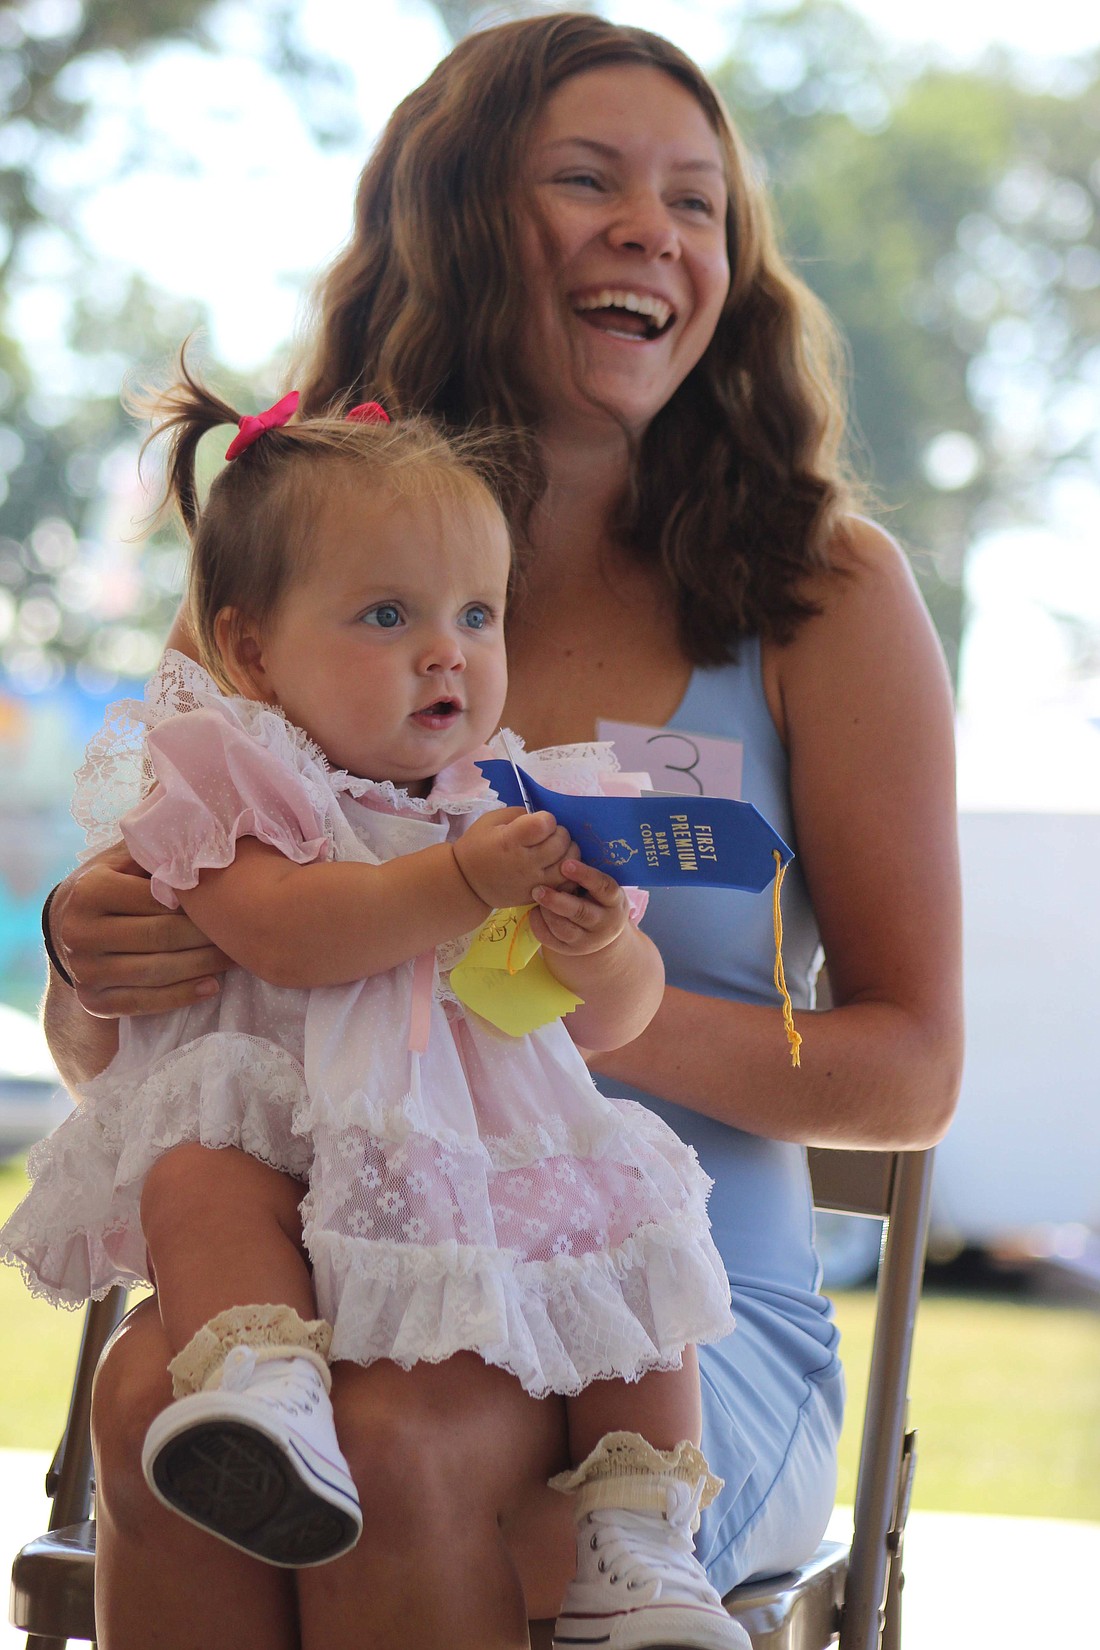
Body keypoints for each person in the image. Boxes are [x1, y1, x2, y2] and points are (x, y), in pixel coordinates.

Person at [39, 12, 963, 1650]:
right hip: (332, 1249)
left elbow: (908, 1075)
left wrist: (597, 1010)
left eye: (697, 203)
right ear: (456, 222)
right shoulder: (294, 553)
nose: (653, 232)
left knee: (402, 1440)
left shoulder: (822, 592)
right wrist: (94, 959)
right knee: (149, 1399)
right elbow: (136, 1041)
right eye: (589, 181)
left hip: (667, 1318)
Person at [7, 371, 747, 1638]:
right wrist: (458, 881)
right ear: (249, 649)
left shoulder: (511, 800)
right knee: (201, 1171)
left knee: (627, 1244)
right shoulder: (240, 788)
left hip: (467, 1193)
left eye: (475, 613)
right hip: (289, 1180)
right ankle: (263, 1379)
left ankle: (636, 1541)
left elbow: (617, 1016)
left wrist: (586, 945)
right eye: (388, 615)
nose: (445, 651)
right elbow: (290, 940)